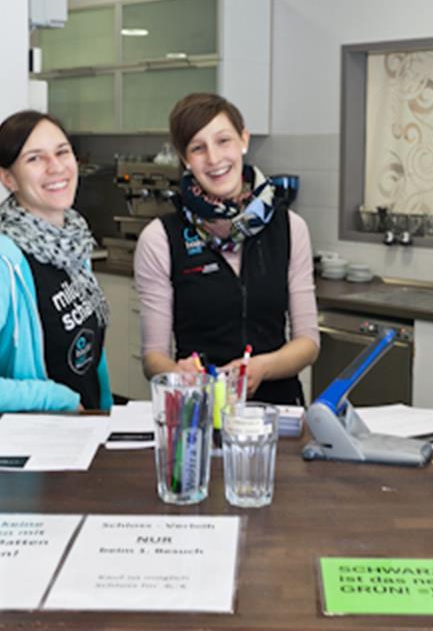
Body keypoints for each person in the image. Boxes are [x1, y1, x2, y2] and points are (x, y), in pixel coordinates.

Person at [133, 93, 319, 405]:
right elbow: (153, 358)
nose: (214, 158)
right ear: (184, 158)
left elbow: (308, 342)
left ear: (243, 140)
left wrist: (260, 368)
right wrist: (179, 374)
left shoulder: (290, 228)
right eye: (197, 148)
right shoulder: (161, 238)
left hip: (279, 415)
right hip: (198, 414)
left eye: (223, 141)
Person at [0, 110, 111, 414]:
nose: (56, 167)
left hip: (87, 432)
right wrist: (56, 399)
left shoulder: (73, 247)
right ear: (7, 178)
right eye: (35, 159)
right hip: (37, 444)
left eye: (62, 152)